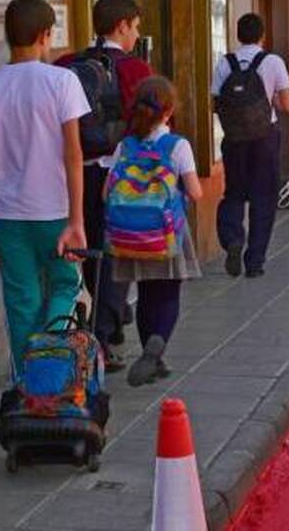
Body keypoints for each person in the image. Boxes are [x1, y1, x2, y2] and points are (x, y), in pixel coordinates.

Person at [0, 0, 88, 377]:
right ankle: (53, 370)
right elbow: (73, 155)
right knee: (66, 284)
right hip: (53, 210)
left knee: (21, 302)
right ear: (44, 35)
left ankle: (28, 386)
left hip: (7, 216)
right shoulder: (62, 81)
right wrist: (77, 220)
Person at [54, 0, 154, 371]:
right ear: (122, 25)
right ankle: (106, 335)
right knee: (116, 256)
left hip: (74, 173)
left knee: (86, 252)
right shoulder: (136, 71)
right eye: (136, 27)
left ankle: (89, 326)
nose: (136, 34)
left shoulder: (66, 64)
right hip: (118, 174)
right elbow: (152, 125)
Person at [103, 77, 203, 387]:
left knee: (145, 292)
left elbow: (106, 193)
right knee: (168, 292)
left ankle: (152, 356)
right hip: (167, 232)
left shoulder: (125, 145)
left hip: (131, 235)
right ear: (169, 111)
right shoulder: (177, 146)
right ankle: (156, 344)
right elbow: (196, 192)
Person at [212, 13, 289, 278]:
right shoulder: (273, 62)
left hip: (234, 139)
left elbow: (216, 101)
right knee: (264, 199)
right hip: (264, 139)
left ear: (237, 35)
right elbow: (287, 106)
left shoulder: (225, 63)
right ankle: (255, 261)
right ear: (262, 35)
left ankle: (233, 238)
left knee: (234, 193)